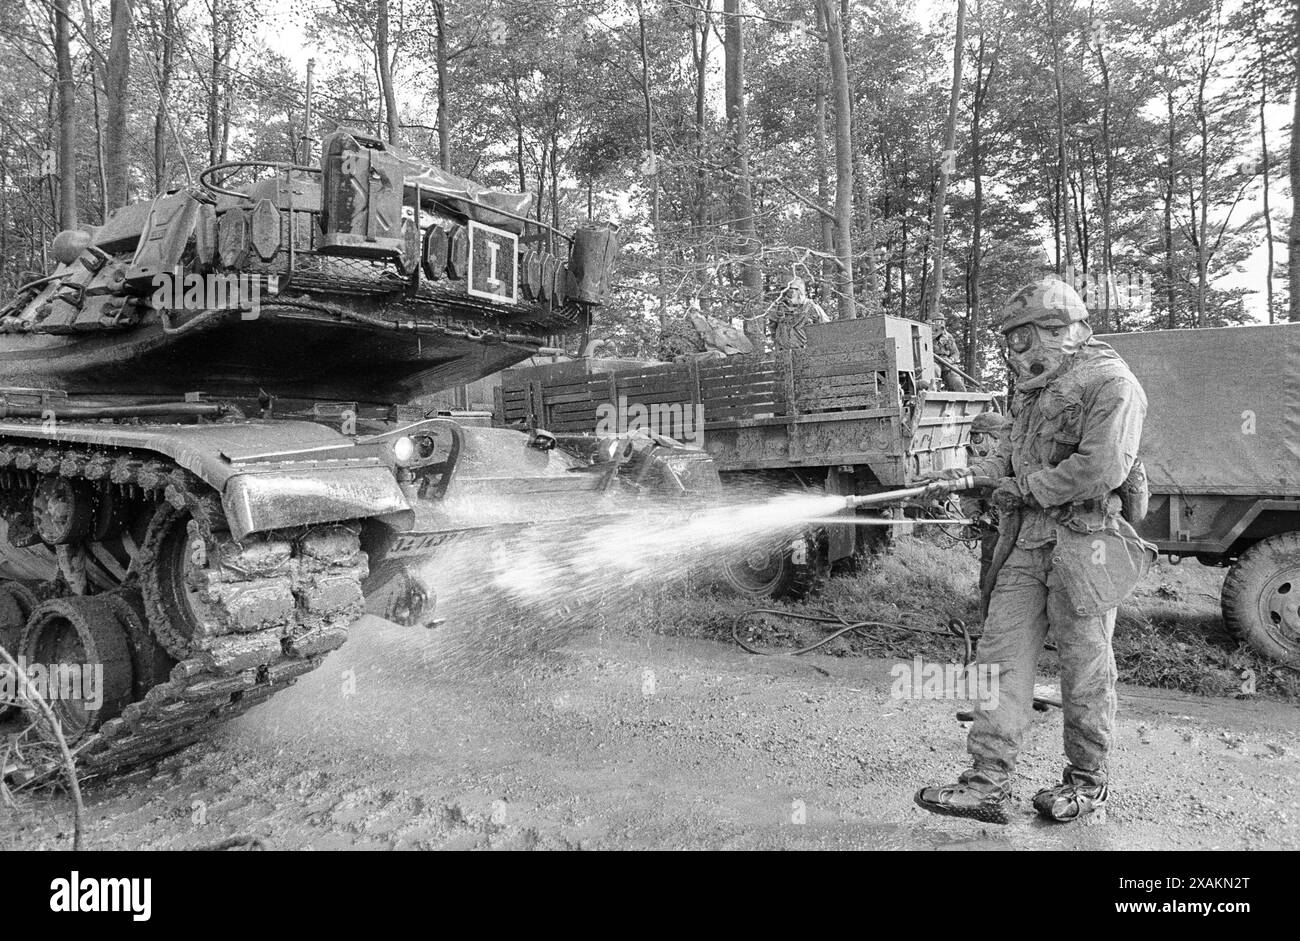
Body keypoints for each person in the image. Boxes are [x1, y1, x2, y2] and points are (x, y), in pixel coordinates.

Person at [914, 277, 1152, 825]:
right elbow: (1015, 461)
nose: (1018, 354)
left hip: (1086, 543)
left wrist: (1023, 490)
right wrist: (970, 476)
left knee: (1085, 669)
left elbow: (1102, 467)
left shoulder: (1111, 384)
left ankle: (1087, 782)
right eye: (1013, 343)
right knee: (1000, 659)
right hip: (1029, 541)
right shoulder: (1034, 391)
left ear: (1069, 330)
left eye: (1027, 340)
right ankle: (986, 783)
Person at [961, 410, 1010, 591]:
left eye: (979, 437)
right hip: (991, 531)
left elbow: (1015, 495)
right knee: (988, 573)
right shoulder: (978, 461)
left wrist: (992, 514)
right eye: (973, 437)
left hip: (1011, 529)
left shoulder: (1013, 461)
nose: (975, 444)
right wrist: (973, 515)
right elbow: (969, 493)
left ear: (996, 439)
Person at [769, 278, 829, 351]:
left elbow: (825, 326)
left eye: (790, 289)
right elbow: (773, 328)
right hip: (783, 349)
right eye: (784, 289)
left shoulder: (811, 307)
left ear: (799, 290)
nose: (787, 292)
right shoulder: (778, 307)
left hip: (805, 348)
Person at [930, 318, 967, 391]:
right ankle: (933, 392)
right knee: (935, 371)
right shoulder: (926, 334)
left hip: (947, 363)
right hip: (933, 361)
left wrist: (951, 360)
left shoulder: (948, 336)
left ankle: (962, 397)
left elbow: (955, 353)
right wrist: (935, 336)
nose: (940, 324)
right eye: (937, 321)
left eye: (942, 321)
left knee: (956, 379)